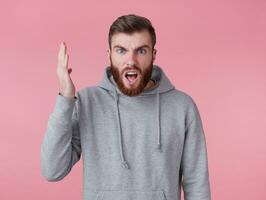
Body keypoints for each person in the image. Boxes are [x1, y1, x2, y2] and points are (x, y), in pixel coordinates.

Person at [40, 14, 211, 200]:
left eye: (141, 51)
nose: (131, 61)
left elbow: (196, 184)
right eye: (121, 50)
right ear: (109, 55)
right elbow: (53, 170)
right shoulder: (87, 102)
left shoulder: (182, 107)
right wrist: (65, 97)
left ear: (153, 54)